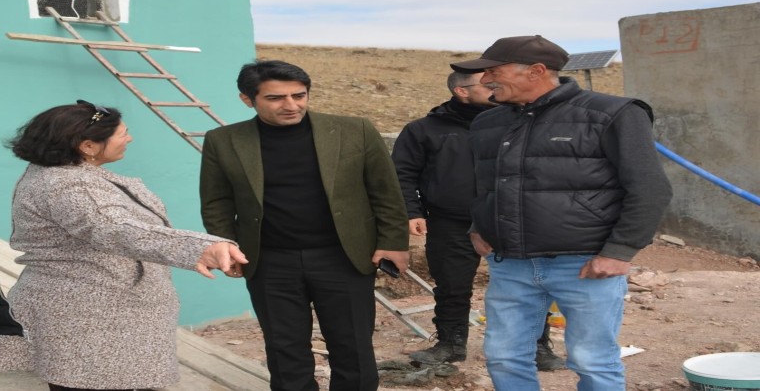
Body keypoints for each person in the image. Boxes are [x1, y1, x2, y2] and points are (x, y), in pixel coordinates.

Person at [451, 35, 673, 391]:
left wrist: (620, 251)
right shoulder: (487, 123)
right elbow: (485, 184)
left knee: (592, 360)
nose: (486, 79)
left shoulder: (611, 113)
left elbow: (650, 188)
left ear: (536, 71)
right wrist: (479, 225)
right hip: (511, 265)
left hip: (585, 264)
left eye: (494, 71)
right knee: (504, 356)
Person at [4, 100, 247, 391]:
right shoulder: (69, 186)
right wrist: (199, 248)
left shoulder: (61, 174)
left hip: (97, 315)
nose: (129, 139)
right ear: (88, 146)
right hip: (92, 320)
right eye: (122, 134)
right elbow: (115, 228)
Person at [199, 60, 410, 391]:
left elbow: (386, 191)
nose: (291, 105)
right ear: (247, 99)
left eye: (299, 95)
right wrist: (227, 247)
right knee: (285, 350)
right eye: (276, 98)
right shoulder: (223, 140)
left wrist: (394, 242)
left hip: (343, 257)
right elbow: (216, 201)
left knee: (353, 346)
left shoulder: (355, 130)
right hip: (269, 261)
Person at [391, 71, 564, 370]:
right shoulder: (423, 129)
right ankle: (450, 344)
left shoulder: (517, 122)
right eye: (487, 84)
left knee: (529, 284)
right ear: (462, 91)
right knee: (451, 285)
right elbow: (402, 173)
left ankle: (536, 347)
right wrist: (412, 211)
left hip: (512, 218)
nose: (495, 87)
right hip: (451, 221)